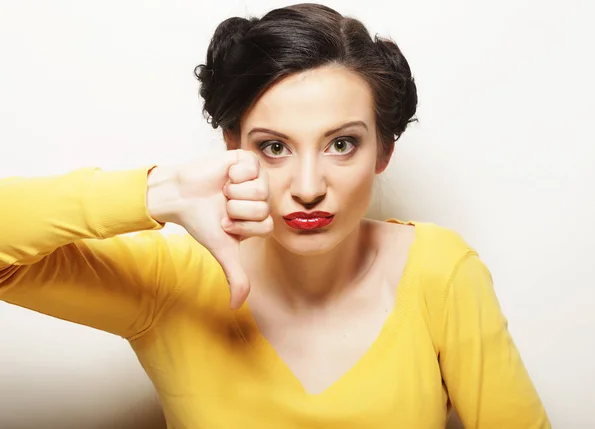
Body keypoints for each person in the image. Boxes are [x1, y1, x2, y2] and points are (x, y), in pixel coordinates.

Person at [0, 3, 550, 428]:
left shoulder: (440, 272)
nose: (308, 188)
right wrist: (154, 190)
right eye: (274, 147)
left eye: (341, 144)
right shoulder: (171, 279)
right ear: (232, 145)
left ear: (384, 151)